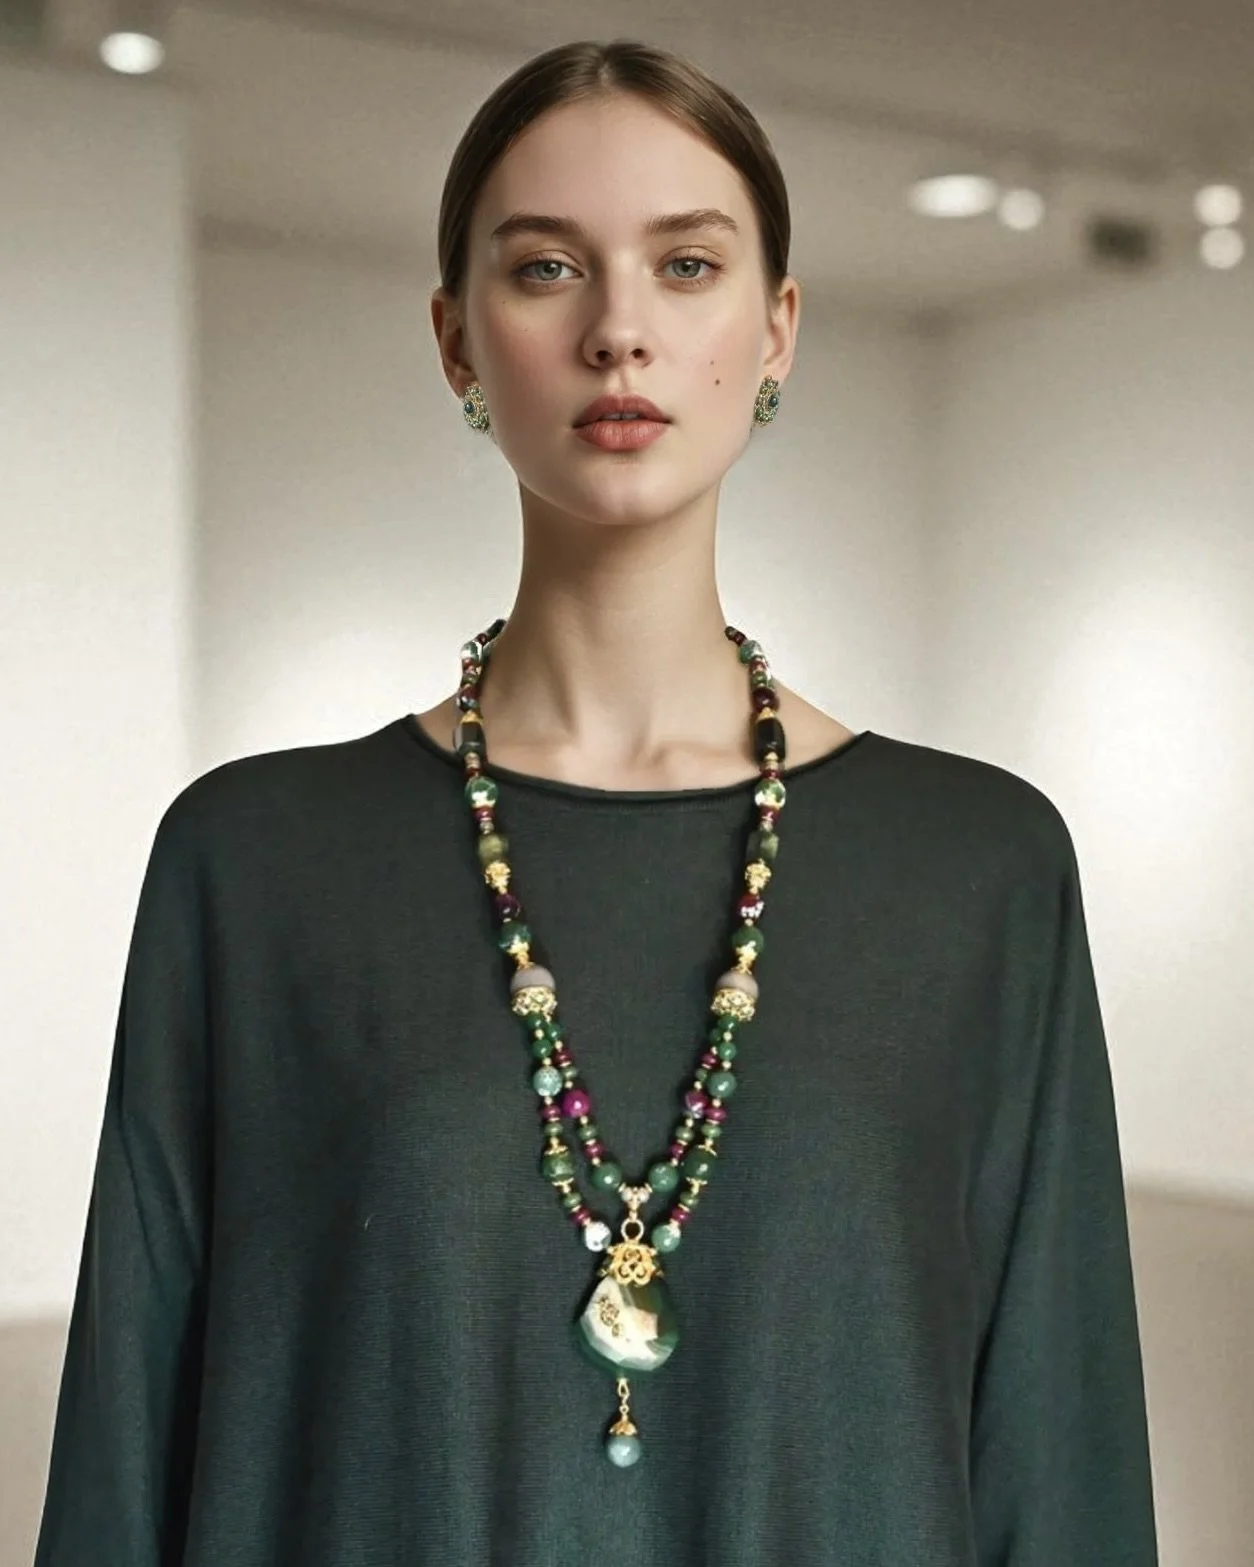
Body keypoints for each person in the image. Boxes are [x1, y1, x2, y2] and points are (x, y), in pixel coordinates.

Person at [33, 36, 1158, 1567]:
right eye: (547, 266)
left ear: (775, 330)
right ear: (455, 338)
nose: (619, 330)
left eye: (685, 266)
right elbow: (121, 1466)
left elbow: (1062, 1466)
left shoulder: (978, 867)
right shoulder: (252, 863)